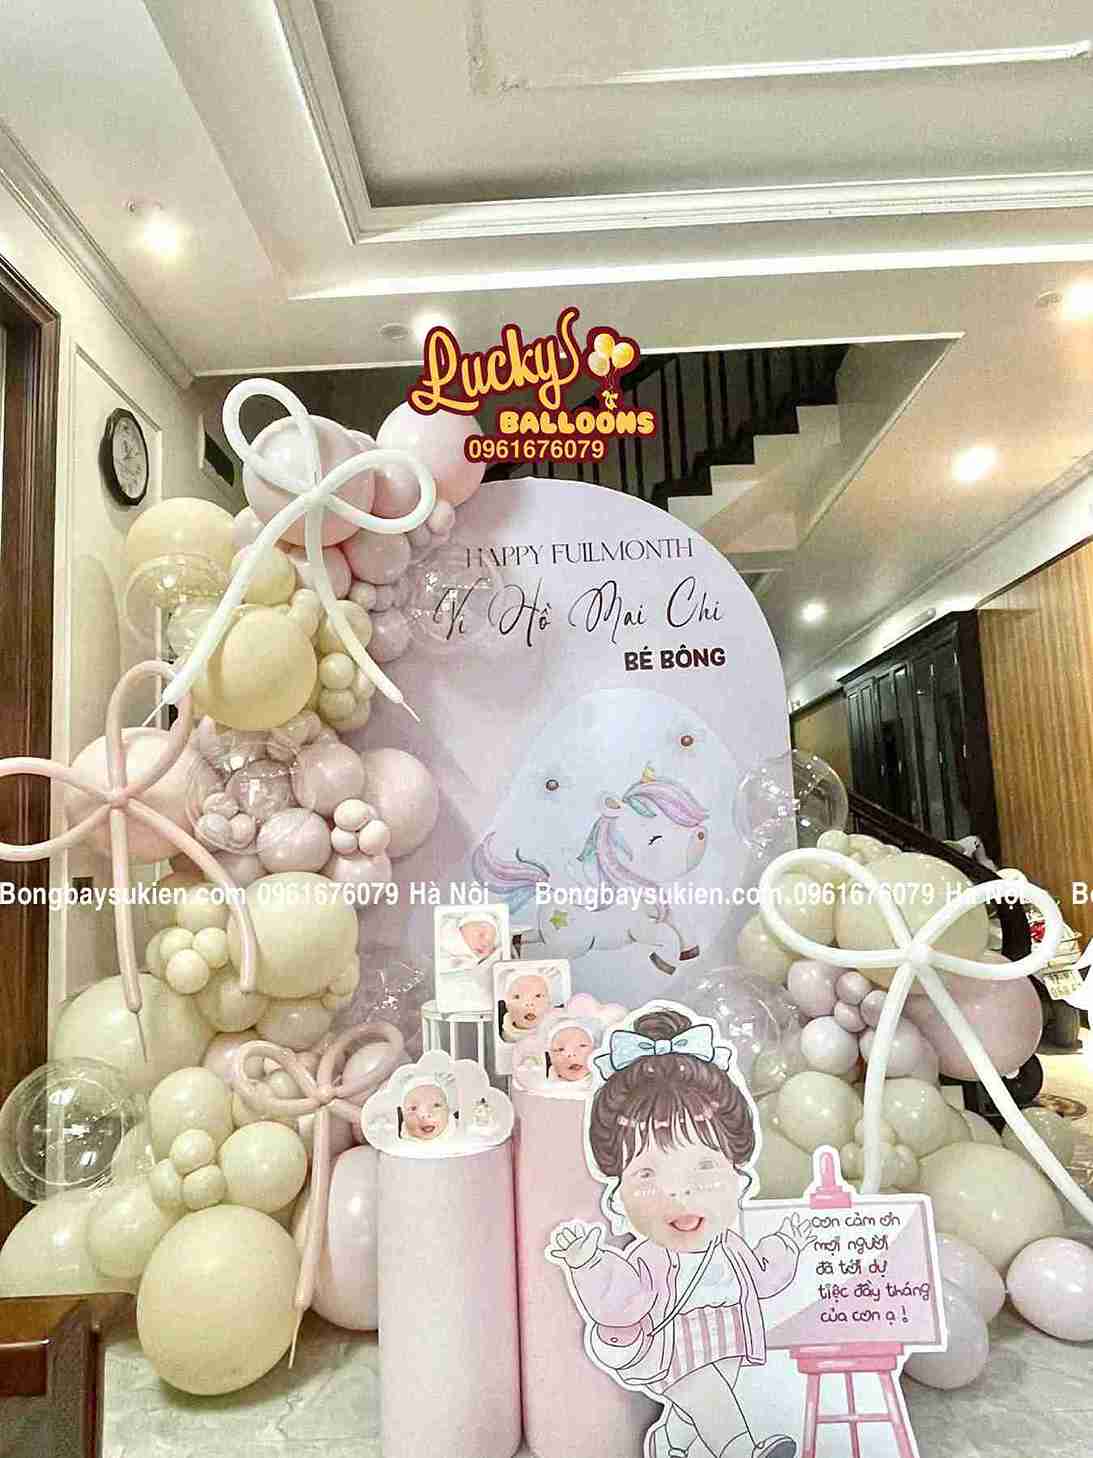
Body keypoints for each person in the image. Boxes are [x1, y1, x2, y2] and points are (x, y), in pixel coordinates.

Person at [550, 1008, 813, 1458]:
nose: (680, 1194)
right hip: (670, 1350)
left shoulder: (727, 1247)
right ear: (619, 1192)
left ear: (737, 1173)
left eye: (704, 1167)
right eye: (648, 1174)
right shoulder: (653, 1258)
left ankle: (671, 1443)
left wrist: (787, 1244)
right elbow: (620, 1298)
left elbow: (762, 1276)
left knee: (703, 1407)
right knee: (708, 1396)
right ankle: (742, 1451)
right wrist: (588, 1263)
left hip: (727, 1338)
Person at [500, 970, 552, 1042]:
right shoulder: (505, 1029)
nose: (529, 1003)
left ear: (549, 1004)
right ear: (508, 1007)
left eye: (538, 996)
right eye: (517, 997)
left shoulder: (553, 1023)